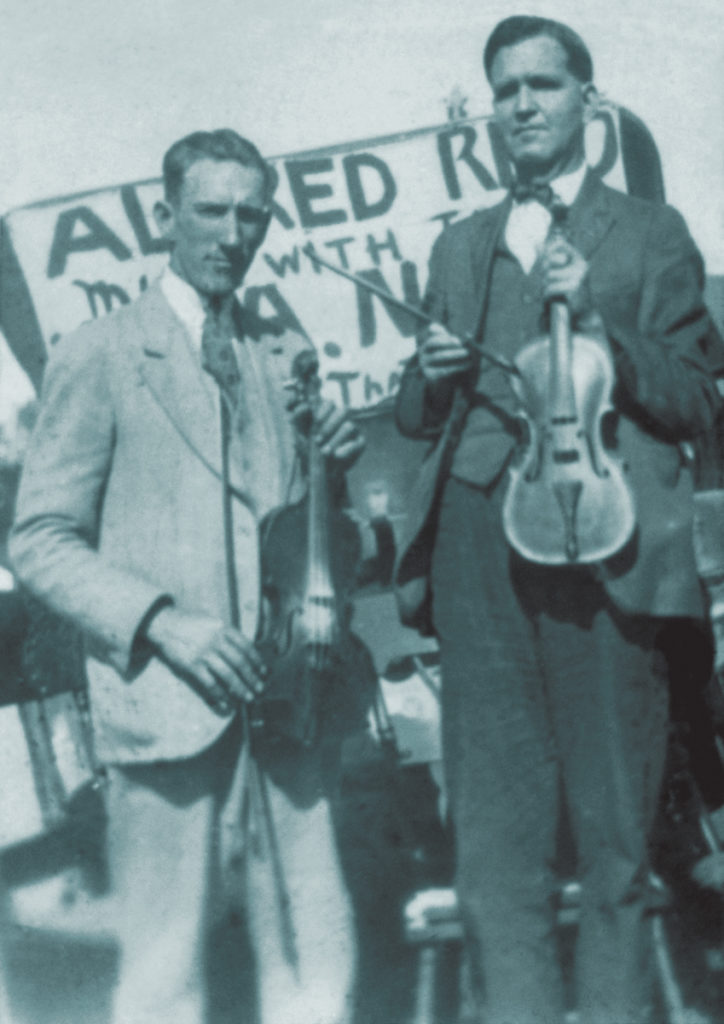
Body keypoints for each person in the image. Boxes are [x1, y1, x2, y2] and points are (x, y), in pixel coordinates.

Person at [394, 16, 724, 1024]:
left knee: (616, 835)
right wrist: (429, 374)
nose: (522, 104)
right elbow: (414, 415)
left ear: (589, 98)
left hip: (603, 543)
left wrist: (604, 327)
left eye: (542, 83)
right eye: (505, 90)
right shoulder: (460, 243)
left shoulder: (651, 232)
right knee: (495, 847)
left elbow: (695, 399)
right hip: (475, 546)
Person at [10, 129, 365, 1024]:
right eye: (211, 211)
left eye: (253, 216)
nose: (233, 235)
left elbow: (292, 538)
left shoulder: (279, 354)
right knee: (164, 971)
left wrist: (330, 467)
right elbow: (40, 539)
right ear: (165, 218)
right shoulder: (99, 352)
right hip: (165, 710)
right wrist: (164, 623)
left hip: (288, 707)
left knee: (314, 950)